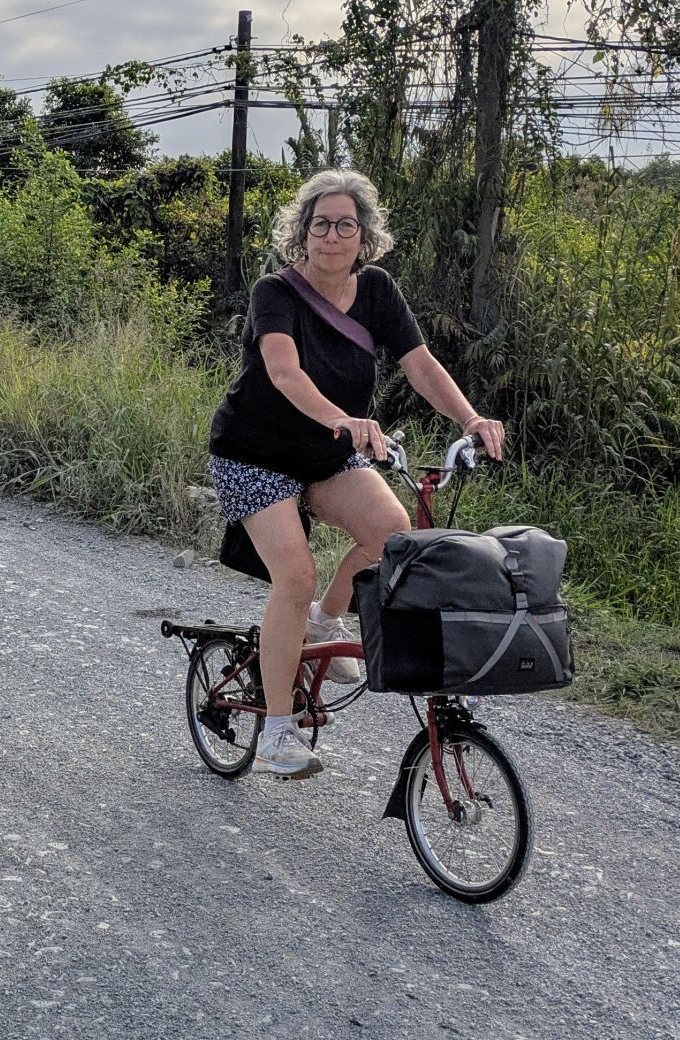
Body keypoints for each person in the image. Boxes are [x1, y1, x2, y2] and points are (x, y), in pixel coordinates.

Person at [208, 170, 504, 779]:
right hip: (253, 452)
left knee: (389, 535)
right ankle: (276, 731)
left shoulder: (376, 292)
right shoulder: (275, 292)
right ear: (303, 233)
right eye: (321, 224)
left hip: (323, 453)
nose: (332, 236)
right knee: (295, 573)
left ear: (364, 236)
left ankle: (321, 624)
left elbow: (420, 366)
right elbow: (285, 374)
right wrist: (345, 418)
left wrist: (472, 419)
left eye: (346, 225)